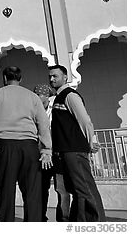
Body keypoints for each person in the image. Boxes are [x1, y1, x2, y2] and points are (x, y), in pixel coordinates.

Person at [0, 66, 52, 222]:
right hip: (29, 146)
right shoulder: (32, 96)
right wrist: (46, 149)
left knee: (6, 190)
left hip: (6, 145)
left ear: (4, 78)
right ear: (21, 78)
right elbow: (43, 123)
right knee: (32, 190)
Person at [49, 65, 106, 222]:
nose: (52, 79)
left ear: (65, 77)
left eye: (55, 76)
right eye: (50, 76)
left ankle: (98, 222)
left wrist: (91, 141)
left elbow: (85, 120)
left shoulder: (70, 96)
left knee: (86, 189)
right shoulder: (59, 98)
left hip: (74, 151)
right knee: (77, 190)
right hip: (66, 152)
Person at [33, 84, 71, 222]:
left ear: (47, 97)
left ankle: (63, 219)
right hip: (41, 156)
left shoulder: (55, 109)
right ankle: (41, 218)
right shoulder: (33, 112)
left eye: (40, 97)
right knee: (41, 189)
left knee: (62, 190)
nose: (37, 99)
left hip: (57, 155)